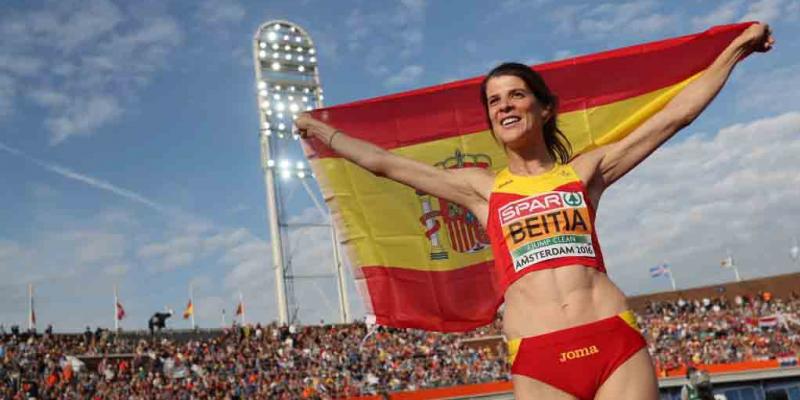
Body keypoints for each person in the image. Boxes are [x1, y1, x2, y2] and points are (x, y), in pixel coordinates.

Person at [295, 24, 773, 400]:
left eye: (516, 95)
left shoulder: (584, 172)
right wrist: (322, 131)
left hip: (611, 339)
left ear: (544, 109)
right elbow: (386, 163)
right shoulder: (482, 190)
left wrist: (736, 50)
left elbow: (675, 115)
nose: (504, 105)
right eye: (494, 101)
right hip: (538, 355)